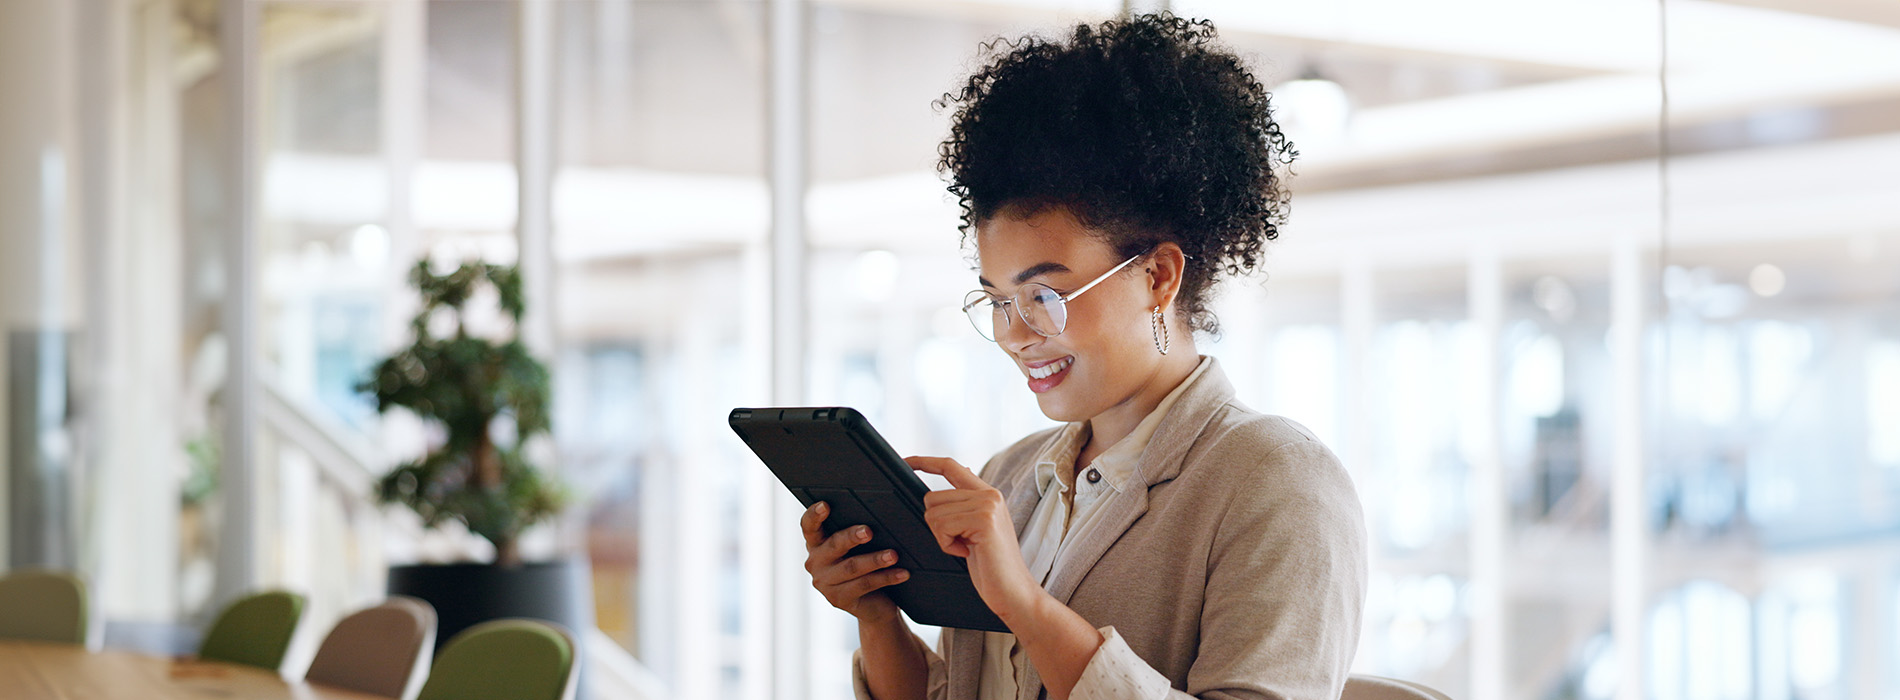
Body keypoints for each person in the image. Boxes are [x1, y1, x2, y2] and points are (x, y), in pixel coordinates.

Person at [800, 13, 1367, 700]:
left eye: (1044, 294)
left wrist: (1027, 608)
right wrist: (878, 613)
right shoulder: (1009, 479)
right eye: (998, 302)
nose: (1015, 333)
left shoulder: (1277, 483)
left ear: (1158, 276)